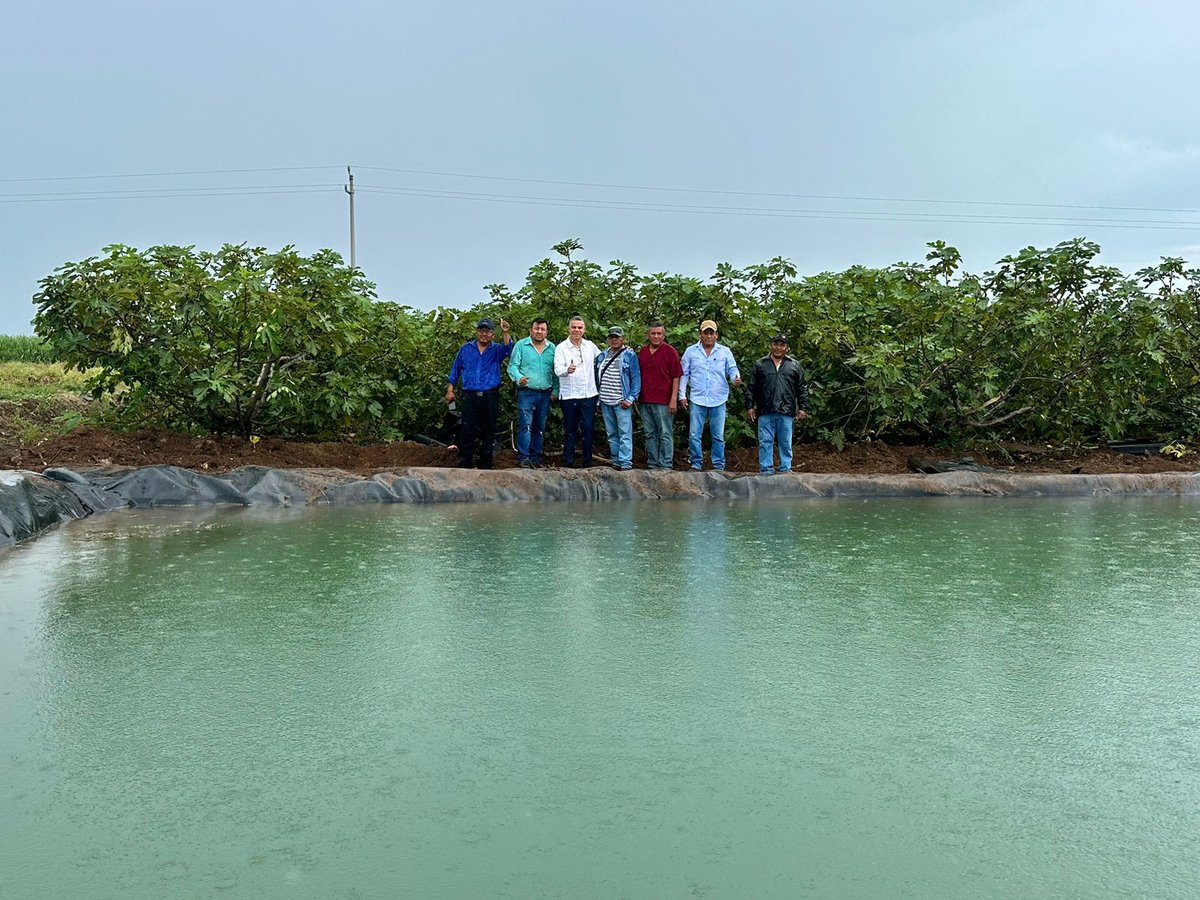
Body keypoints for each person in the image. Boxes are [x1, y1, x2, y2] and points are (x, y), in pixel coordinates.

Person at [445, 317, 512, 468]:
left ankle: (485, 463)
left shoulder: (496, 350)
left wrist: (506, 332)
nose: (484, 334)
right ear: (477, 332)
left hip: (490, 395)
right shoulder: (466, 349)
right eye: (481, 330)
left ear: (492, 334)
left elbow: (508, 349)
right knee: (468, 429)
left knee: (488, 430)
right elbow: (455, 370)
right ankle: (465, 462)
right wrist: (450, 390)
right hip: (469, 396)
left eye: (487, 331)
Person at [679, 319, 741, 471]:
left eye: (711, 333)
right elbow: (684, 374)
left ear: (716, 335)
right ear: (700, 334)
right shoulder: (690, 351)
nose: (708, 336)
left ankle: (718, 466)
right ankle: (696, 464)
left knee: (718, 435)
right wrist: (682, 395)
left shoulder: (725, 351)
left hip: (718, 399)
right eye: (705, 333)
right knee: (694, 434)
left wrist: (736, 378)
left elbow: (732, 369)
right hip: (697, 398)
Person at [745, 333, 810, 474]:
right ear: (771, 345)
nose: (778, 348)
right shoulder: (760, 364)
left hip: (786, 410)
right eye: (776, 344)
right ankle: (766, 469)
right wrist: (749, 406)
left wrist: (803, 407)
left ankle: (785, 468)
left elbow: (802, 387)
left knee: (785, 442)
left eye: (782, 345)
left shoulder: (794, 365)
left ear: (787, 347)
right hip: (765, 409)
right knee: (765, 442)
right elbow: (752, 387)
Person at [507, 318, 558, 468]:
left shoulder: (552, 348)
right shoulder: (521, 345)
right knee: (525, 426)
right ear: (531, 330)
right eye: (537, 328)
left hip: (545, 394)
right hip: (526, 393)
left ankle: (536, 459)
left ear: (546, 332)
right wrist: (519, 378)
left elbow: (555, 372)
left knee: (539, 427)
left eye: (542, 329)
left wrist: (556, 390)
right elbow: (512, 367)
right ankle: (524, 458)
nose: (539, 332)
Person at [552, 315, 601, 467]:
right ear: (569, 329)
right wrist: (567, 370)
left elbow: (603, 359)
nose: (577, 330)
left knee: (587, 430)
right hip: (569, 396)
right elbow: (557, 369)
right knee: (570, 430)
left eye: (580, 327)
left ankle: (587, 463)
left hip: (588, 395)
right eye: (574, 327)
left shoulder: (590, 346)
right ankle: (569, 463)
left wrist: (624, 349)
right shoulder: (561, 347)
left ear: (584, 330)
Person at [637, 320, 683, 470]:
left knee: (665, 433)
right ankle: (652, 463)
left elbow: (676, 376)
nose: (656, 336)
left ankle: (666, 464)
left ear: (664, 335)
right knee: (649, 433)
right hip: (645, 400)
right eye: (653, 333)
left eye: (659, 334)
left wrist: (673, 400)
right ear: (648, 335)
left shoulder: (670, 352)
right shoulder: (643, 352)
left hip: (664, 401)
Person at [595, 326, 642, 470]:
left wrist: (631, 398)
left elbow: (636, 378)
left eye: (617, 337)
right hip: (605, 401)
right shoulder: (602, 356)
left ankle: (626, 463)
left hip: (622, 402)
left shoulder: (629, 355)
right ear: (608, 339)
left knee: (625, 434)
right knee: (611, 434)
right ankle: (616, 461)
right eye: (612, 337)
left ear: (623, 339)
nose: (614, 339)